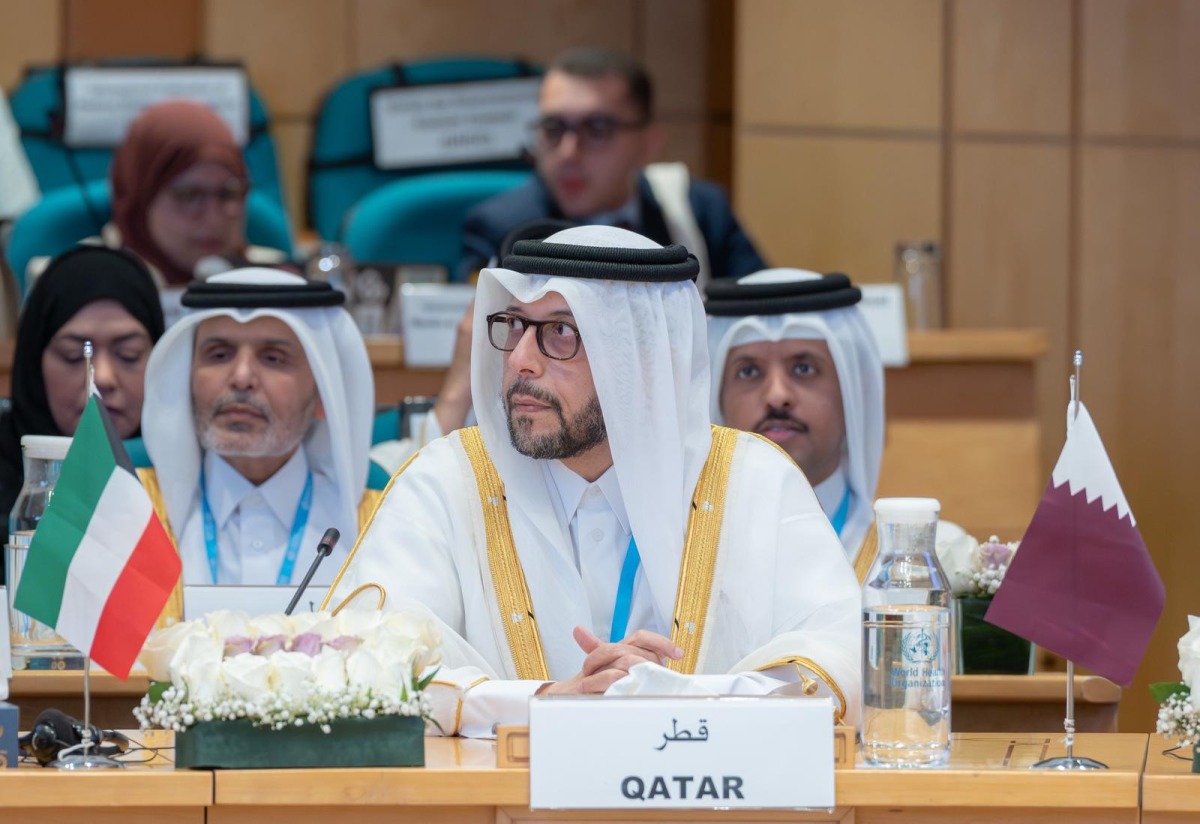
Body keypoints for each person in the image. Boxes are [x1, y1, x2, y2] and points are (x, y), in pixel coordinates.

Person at [331, 226, 860, 738]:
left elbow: (838, 661)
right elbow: (359, 659)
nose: (519, 361)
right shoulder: (447, 481)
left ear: (642, 358)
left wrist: (679, 702)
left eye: (560, 332)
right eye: (514, 326)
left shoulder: (754, 483)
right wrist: (543, 704)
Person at [139, 269, 374, 587]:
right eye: (219, 355)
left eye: (274, 358)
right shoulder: (132, 520)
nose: (241, 377)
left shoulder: (376, 532)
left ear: (324, 395)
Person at [459, 48, 765, 285]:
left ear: (648, 141)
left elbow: (762, 312)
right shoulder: (504, 229)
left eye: (596, 129)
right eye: (553, 128)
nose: (568, 153)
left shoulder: (697, 211)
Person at [705, 269, 884, 580]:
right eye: (748, 372)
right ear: (716, 399)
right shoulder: (674, 559)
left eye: (804, 368)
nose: (777, 396)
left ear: (851, 394)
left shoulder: (920, 563)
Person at [0, 246, 164, 577]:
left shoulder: (191, 469)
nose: (101, 377)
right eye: (75, 356)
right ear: (34, 362)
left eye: (129, 354)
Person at [107, 100, 288, 322]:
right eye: (189, 196)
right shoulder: (87, 287)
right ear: (141, 201)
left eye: (228, 193)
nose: (213, 219)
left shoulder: (279, 280)